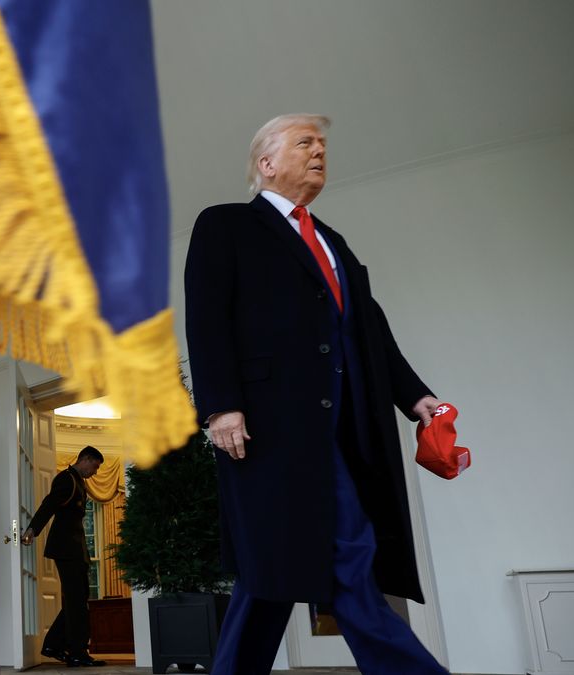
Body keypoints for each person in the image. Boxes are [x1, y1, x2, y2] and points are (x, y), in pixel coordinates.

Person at [183, 113, 451, 674]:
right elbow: (206, 319)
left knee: (273, 567)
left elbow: (367, 329)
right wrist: (220, 406)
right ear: (267, 163)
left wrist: (416, 398)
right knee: (330, 554)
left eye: (323, 144)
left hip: (345, 426)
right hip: (267, 426)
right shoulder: (226, 224)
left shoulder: (333, 242)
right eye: (305, 142)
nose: (319, 151)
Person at [21, 445, 105, 667]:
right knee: (76, 600)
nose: (95, 472)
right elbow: (49, 504)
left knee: (78, 599)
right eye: (95, 467)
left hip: (75, 550)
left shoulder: (78, 481)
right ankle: (76, 652)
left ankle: (54, 645)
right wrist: (32, 529)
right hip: (66, 549)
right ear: (85, 459)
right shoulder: (66, 479)